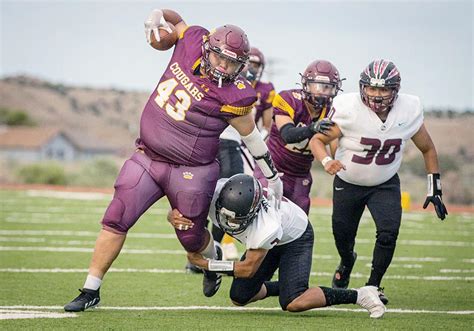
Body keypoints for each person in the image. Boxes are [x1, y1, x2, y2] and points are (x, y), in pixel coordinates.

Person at [64, 8, 284, 312]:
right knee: (116, 218)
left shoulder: (236, 96)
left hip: (191, 171)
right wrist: (156, 15)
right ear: (207, 48)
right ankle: (91, 288)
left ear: (240, 65)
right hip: (147, 157)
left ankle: (213, 259)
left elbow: (252, 138)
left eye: (231, 62)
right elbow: (177, 20)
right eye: (219, 57)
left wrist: (271, 176)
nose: (222, 65)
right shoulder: (192, 41)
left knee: (191, 237)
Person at [309, 59, 448, 304]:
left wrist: (434, 188)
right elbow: (316, 141)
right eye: (372, 88)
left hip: (384, 183)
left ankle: (373, 285)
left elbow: (428, 149)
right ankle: (347, 260)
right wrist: (327, 161)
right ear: (362, 88)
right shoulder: (349, 110)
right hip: (348, 182)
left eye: (383, 89)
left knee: (388, 233)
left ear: (395, 90)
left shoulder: (408, 110)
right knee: (343, 236)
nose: (377, 95)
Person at [168, 174, 386, 319]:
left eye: (238, 219)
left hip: (295, 237)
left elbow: (247, 269)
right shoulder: (211, 192)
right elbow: (177, 209)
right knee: (240, 296)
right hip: (270, 239)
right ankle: (293, 284)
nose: (231, 224)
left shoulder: (266, 225)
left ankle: (360, 294)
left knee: (293, 302)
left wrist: (206, 264)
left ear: (253, 212)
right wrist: (174, 216)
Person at [254, 60, 342, 214]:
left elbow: (336, 148)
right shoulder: (289, 99)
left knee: (299, 223)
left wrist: (336, 160)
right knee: (264, 215)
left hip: (300, 175)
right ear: (306, 85)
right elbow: (287, 134)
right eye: (317, 86)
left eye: (327, 87)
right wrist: (313, 128)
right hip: (272, 169)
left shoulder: (334, 111)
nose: (322, 92)